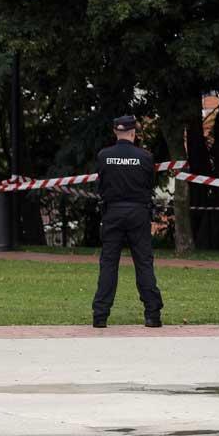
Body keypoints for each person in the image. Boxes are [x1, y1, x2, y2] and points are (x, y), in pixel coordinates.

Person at [93, 116, 164, 328]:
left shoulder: (104, 156)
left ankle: (100, 315)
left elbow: (101, 186)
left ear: (116, 132)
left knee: (108, 264)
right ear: (134, 133)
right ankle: (153, 315)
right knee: (143, 263)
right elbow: (149, 186)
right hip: (138, 214)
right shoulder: (146, 157)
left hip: (112, 213)